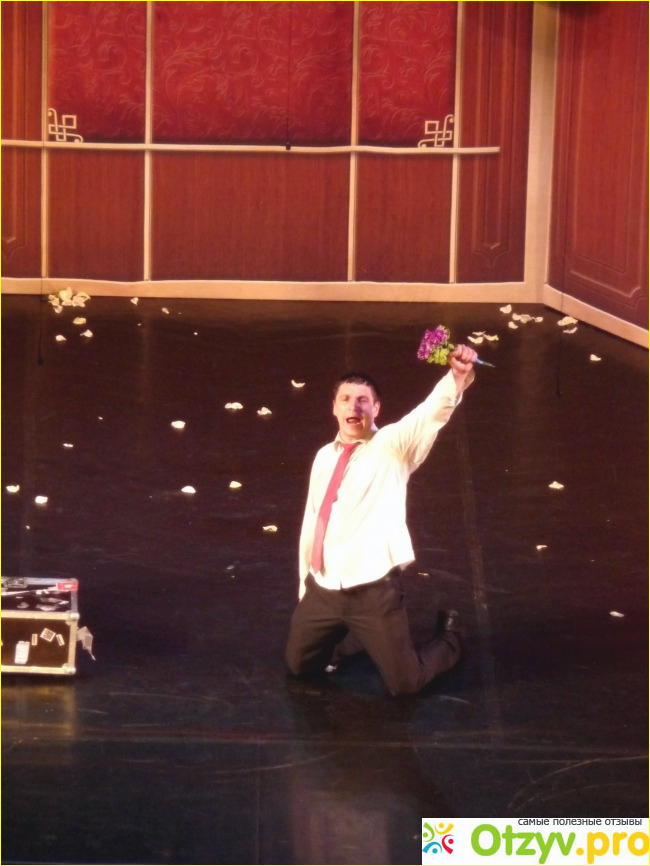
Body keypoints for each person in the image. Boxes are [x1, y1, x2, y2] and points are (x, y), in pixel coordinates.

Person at [284, 343, 478, 696]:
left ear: (376, 409)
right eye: (346, 399)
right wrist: (304, 585)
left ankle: (451, 639)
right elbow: (313, 521)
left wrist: (457, 376)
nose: (353, 406)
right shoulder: (324, 457)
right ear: (334, 407)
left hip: (373, 593)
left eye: (363, 400)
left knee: (405, 684)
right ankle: (357, 638)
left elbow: (430, 413)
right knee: (298, 667)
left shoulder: (391, 446)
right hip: (324, 591)